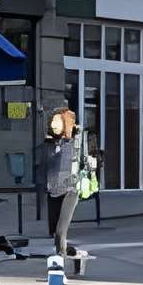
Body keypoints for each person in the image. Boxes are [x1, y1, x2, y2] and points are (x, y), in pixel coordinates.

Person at [34, 105, 94, 275]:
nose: (53, 125)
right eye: (52, 122)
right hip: (53, 190)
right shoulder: (48, 144)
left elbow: (78, 161)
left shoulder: (74, 142)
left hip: (70, 191)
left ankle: (57, 271)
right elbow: (43, 166)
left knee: (61, 232)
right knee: (55, 234)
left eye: (57, 122)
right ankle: (78, 255)